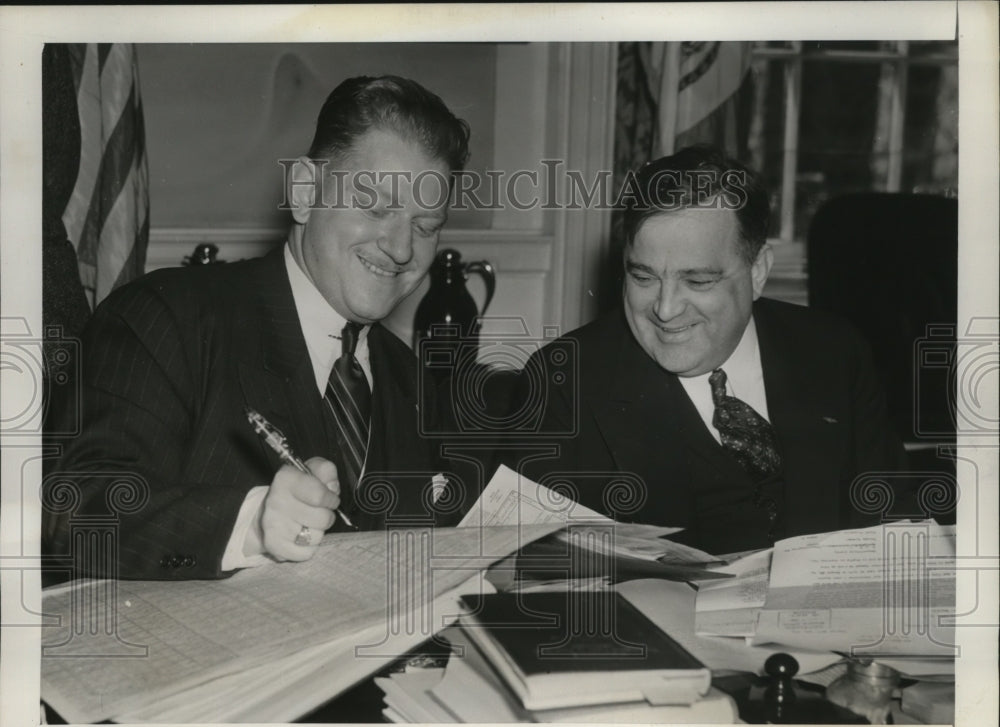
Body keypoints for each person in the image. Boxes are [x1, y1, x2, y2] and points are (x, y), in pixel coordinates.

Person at [44, 75, 472, 580]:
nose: (402, 249)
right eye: (377, 207)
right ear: (304, 192)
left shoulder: (412, 379)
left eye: (426, 227)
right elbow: (72, 512)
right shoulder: (165, 316)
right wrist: (251, 524)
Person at [512, 145, 909, 555]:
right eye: (643, 277)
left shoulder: (834, 352)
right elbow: (537, 571)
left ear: (758, 272)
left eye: (698, 281)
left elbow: (894, 524)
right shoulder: (564, 379)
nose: (665, 310)